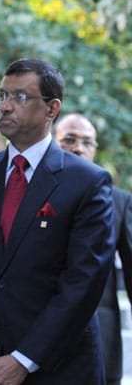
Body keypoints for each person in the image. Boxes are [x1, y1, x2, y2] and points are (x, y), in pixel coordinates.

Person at [0, 58, 115, 384]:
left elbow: (83, 282)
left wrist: (23, 359)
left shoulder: (87, 182)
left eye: (20, 97)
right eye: (2, 96)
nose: (6, 107)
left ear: (52, 109)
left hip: (60, 367)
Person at [54, 112, 132, 385]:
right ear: (53, 142)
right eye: (69, 140)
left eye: (87, 142)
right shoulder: (33, 192)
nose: (78, 148)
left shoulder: (120, 202)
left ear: (95, 149)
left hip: (100, 328)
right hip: (39, 328)